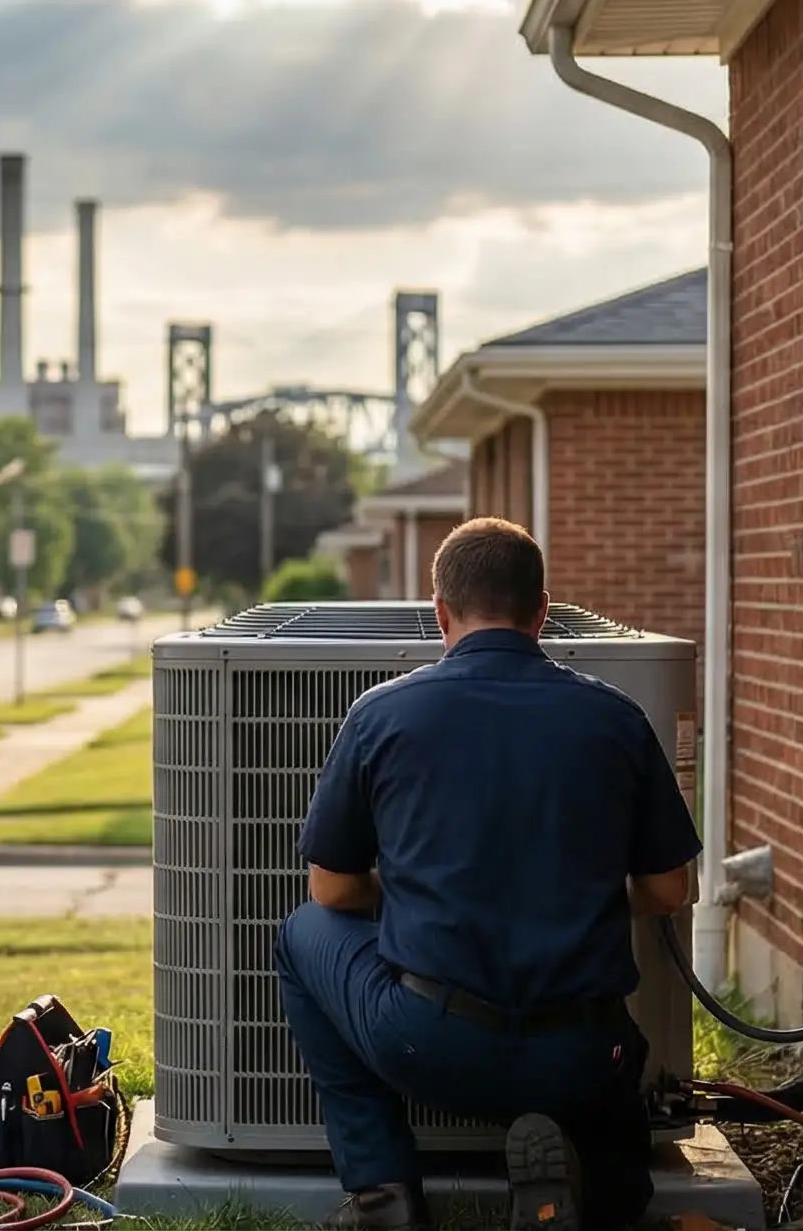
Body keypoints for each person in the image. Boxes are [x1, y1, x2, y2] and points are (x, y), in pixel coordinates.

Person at [275, 517, 700, 1231]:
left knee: (299, 933)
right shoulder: (616, 718)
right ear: (542, 610)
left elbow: (333, 890)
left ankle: (384, 1193)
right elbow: (667, 891)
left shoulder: (380, 715)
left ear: (440, 612)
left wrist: (408, 894)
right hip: (585, 1054)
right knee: (606, 1082)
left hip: (429, 1044)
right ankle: (598, 1189)